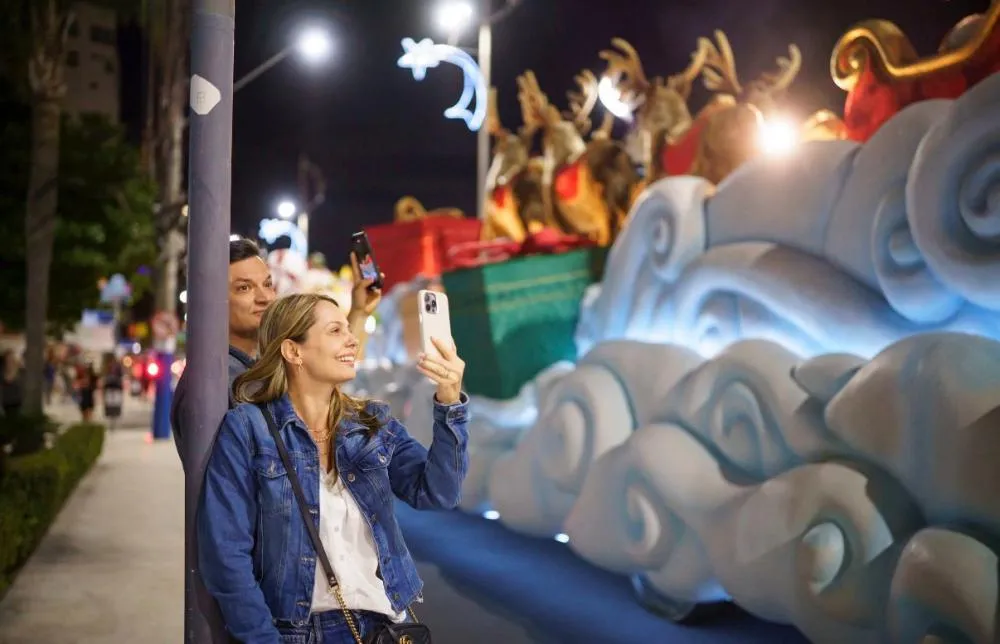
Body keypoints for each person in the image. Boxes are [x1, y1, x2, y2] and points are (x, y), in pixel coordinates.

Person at [197, 293, 468, 643]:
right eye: (336, 330)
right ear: (294, 351)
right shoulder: (249, 428)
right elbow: (225, 553)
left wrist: (449, 401)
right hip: (299, 632)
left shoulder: (372, 422)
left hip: (386, 627)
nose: (352, 339)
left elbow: (439, 493)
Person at [171, 237, 383, 468]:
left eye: (268, 284)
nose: (265, 298)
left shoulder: (252, 366)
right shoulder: (218, 380)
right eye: (244, 288)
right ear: (212, 300)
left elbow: (318, 382)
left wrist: (359, 312)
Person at [1, 350, 23, 418]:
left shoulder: (19, 370)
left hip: (17, 400)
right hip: (7, 400)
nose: (10, 360)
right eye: (8, 358)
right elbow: (8, 380)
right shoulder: (2, 370)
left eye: (12, 358)